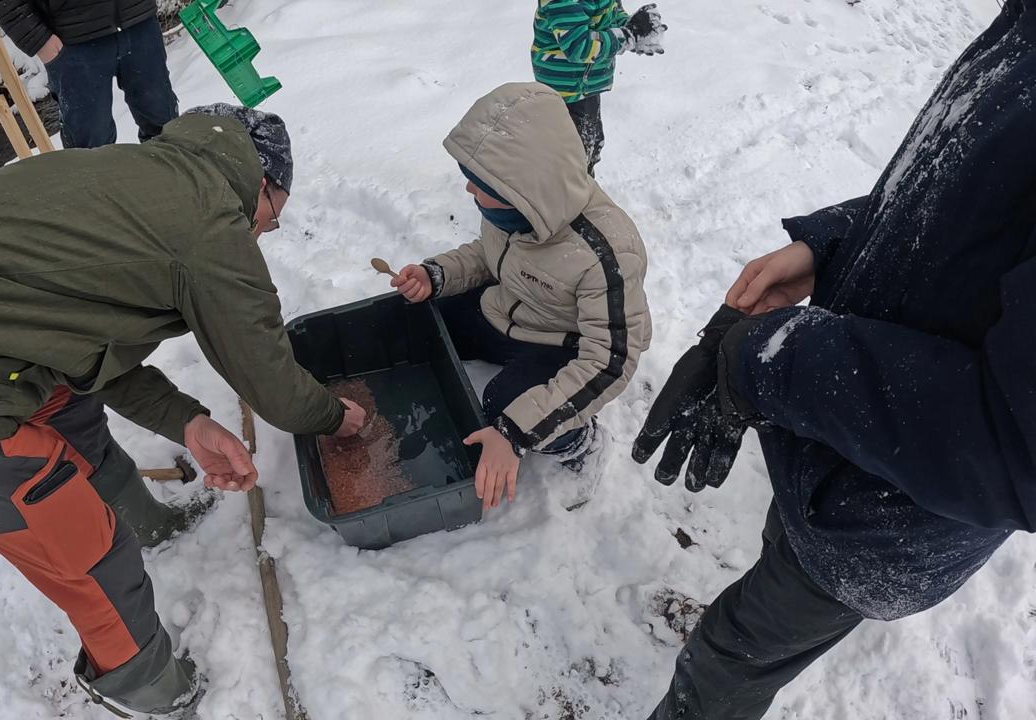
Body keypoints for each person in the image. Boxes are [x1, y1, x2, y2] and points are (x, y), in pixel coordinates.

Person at [0, 104, 366, 718]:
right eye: (271, 220)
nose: (262, 234)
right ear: (264, 185)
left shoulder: (139, 176)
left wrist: (187, 422)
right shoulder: (211, 229)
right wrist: (335, 417)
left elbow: (84, 351)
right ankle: (141, 683)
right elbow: (270, 381)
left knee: (70, 407)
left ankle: (147, 524)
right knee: (76, 533)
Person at [632, 1, 1036, 717]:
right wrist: (832, 242)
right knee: (782, 548)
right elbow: (962, 206)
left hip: (884, 521)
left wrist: (771, 360)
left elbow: (1019, 447)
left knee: (730, 655)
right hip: (830, 449)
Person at [391, 82, 651, 511]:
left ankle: (579, 445)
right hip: (510, 311)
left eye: (479, 184)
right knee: (426, 315)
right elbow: (489, 256)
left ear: (523, 186)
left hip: (565, 346)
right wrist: (436, 275)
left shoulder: (605, 254)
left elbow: (609, 362)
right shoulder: (512, 210)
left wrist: (514, 432)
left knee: (505, 406)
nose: (469, 193)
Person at [0, 0, 179, 148]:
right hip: (73, 42)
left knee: (165, 129)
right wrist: (38, 40)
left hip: (139, 22)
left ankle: (178, 194)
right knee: (90, 149)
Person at [531, 1, 667, 174]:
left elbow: (610, 14)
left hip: (585, 85)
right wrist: (626, 36)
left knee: (592, 145)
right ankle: (569, 195)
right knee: (572, 156)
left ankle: (583, 188)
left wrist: (633, 28)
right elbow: (579, 46)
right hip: (565, 91)